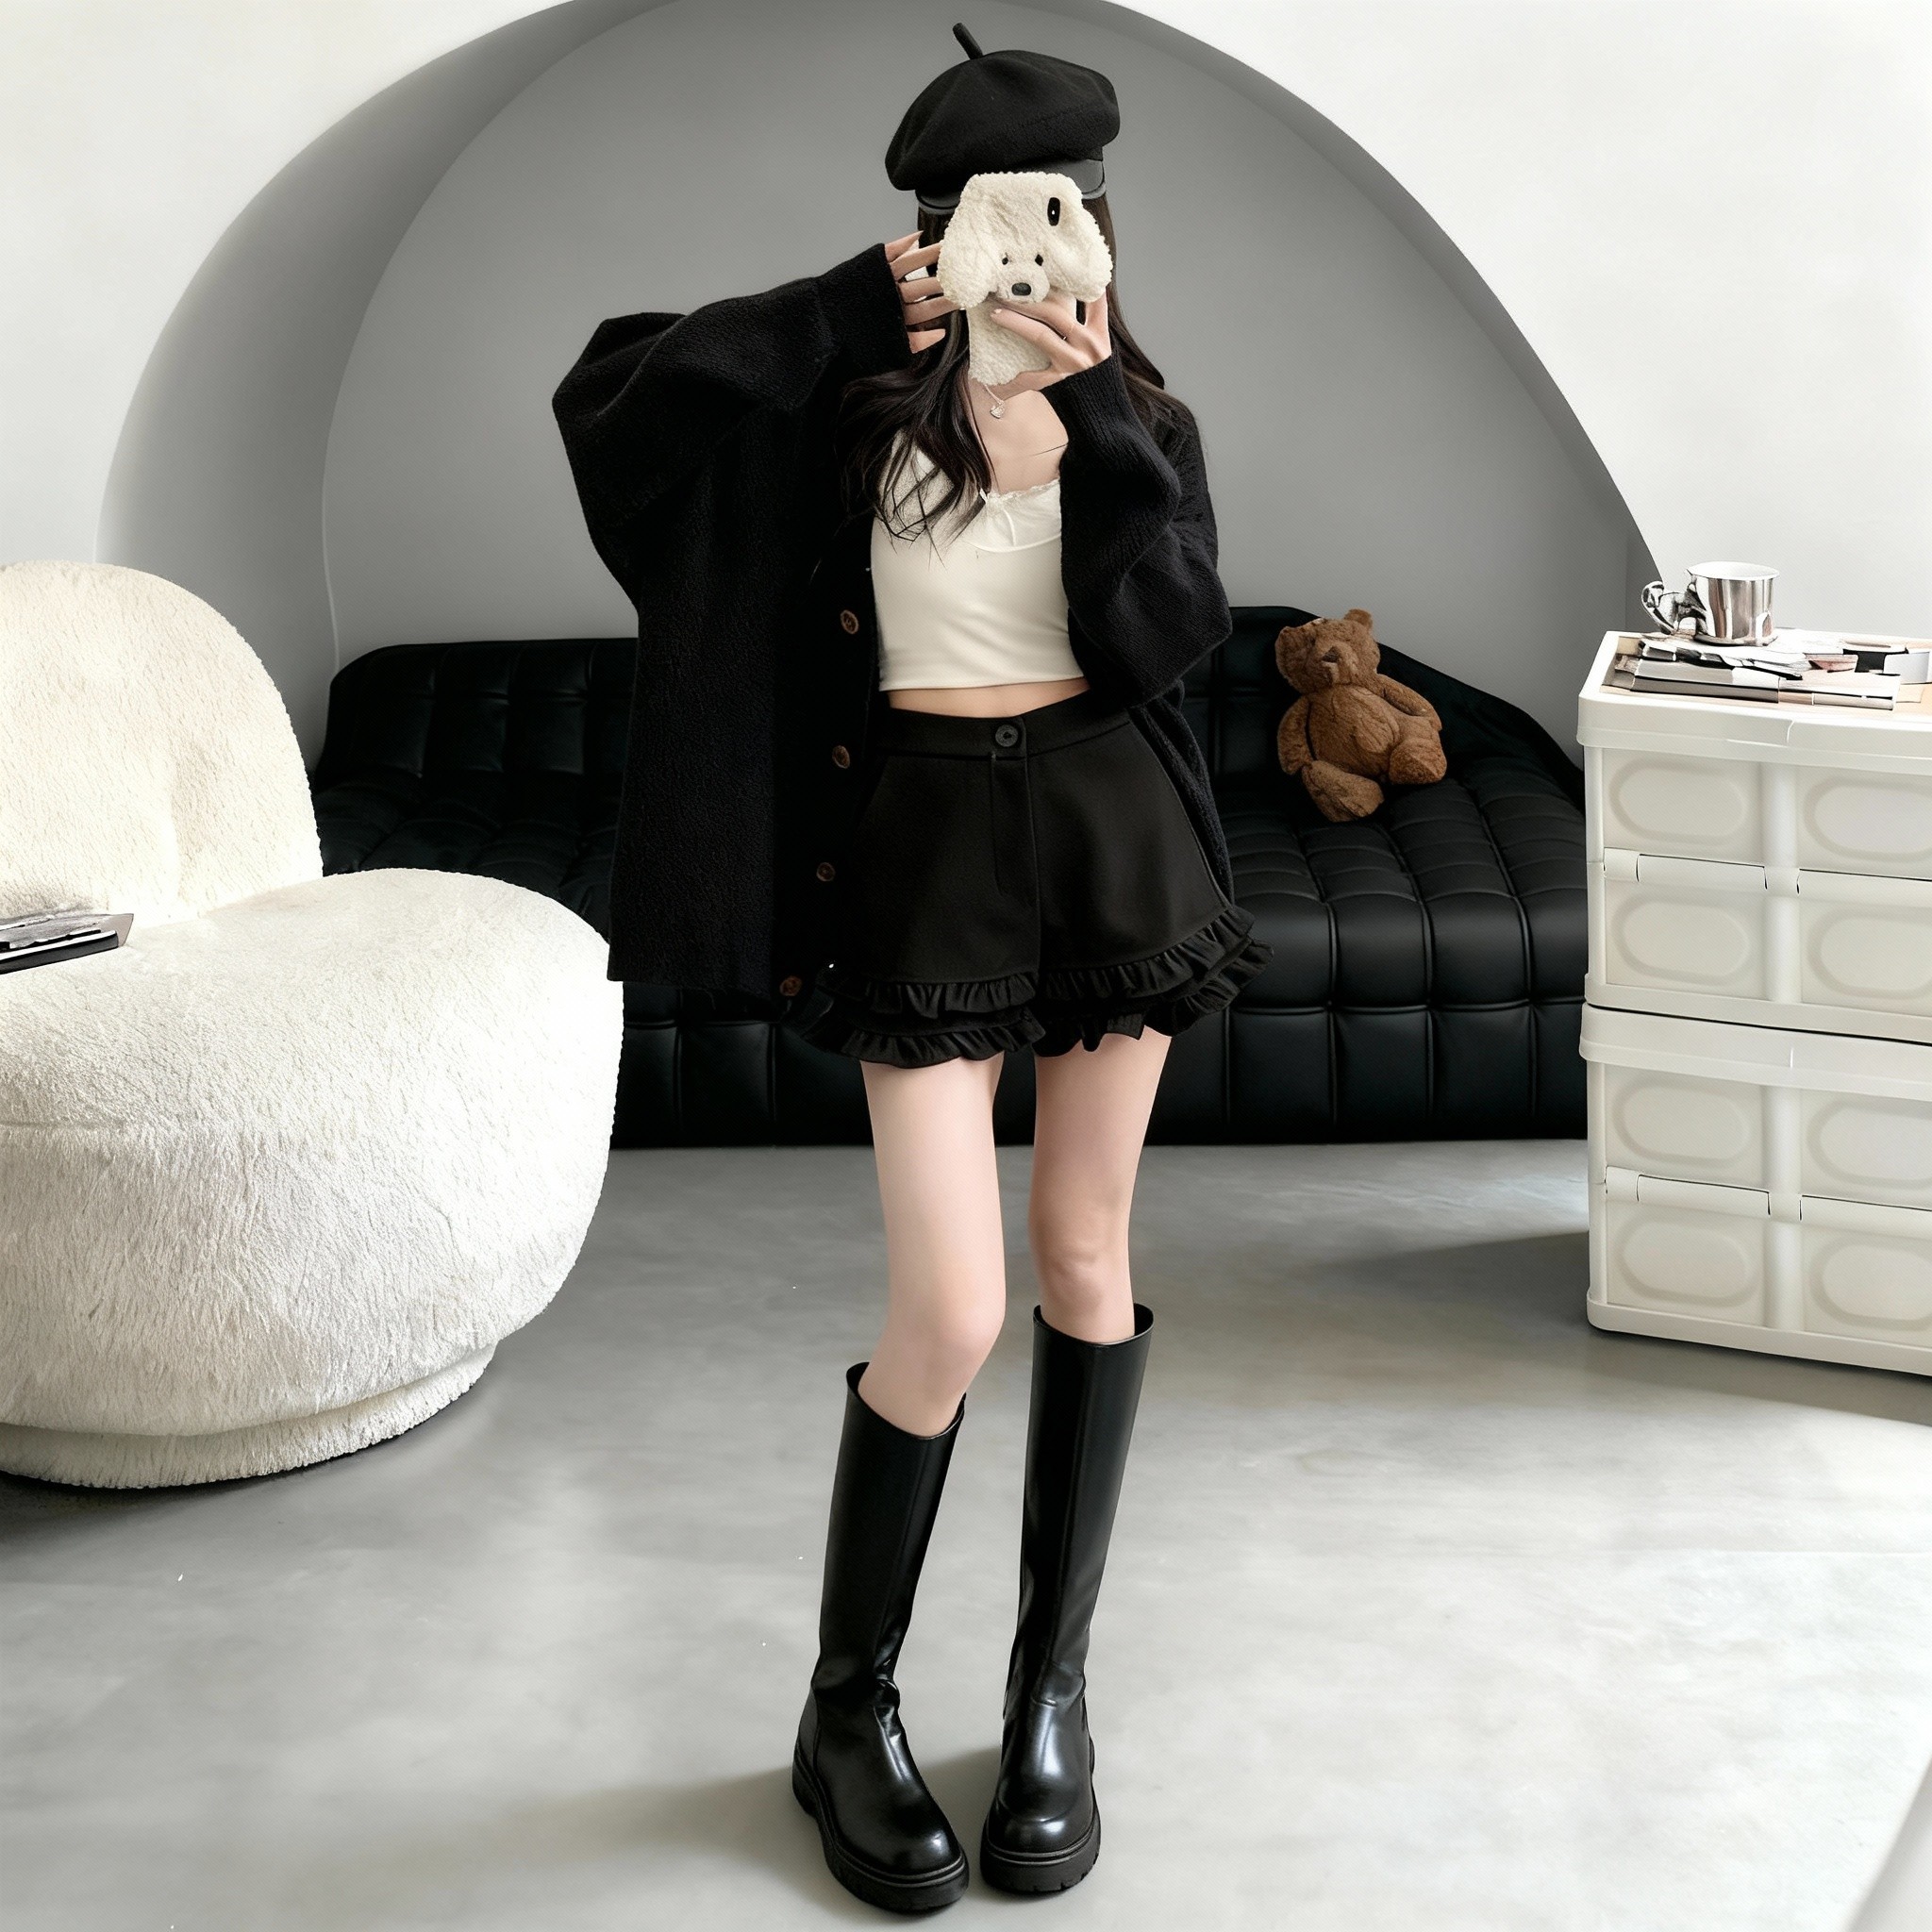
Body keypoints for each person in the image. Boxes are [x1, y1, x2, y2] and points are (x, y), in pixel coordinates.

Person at [553, 23, 1269, 1913]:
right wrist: (832, 307)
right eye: (983, 225)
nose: (1026, 254)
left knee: (1086, 1261)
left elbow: (1169, 639)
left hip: (1113, 843)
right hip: (924, 851)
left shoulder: (1146, 419)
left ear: (1098, 229)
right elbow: (618, 415)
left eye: (1056, 220)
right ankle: (844, 1707)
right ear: (933, 236)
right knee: (947, 1309)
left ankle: (1050, 1694)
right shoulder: (847, 405)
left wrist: (1098, 422)